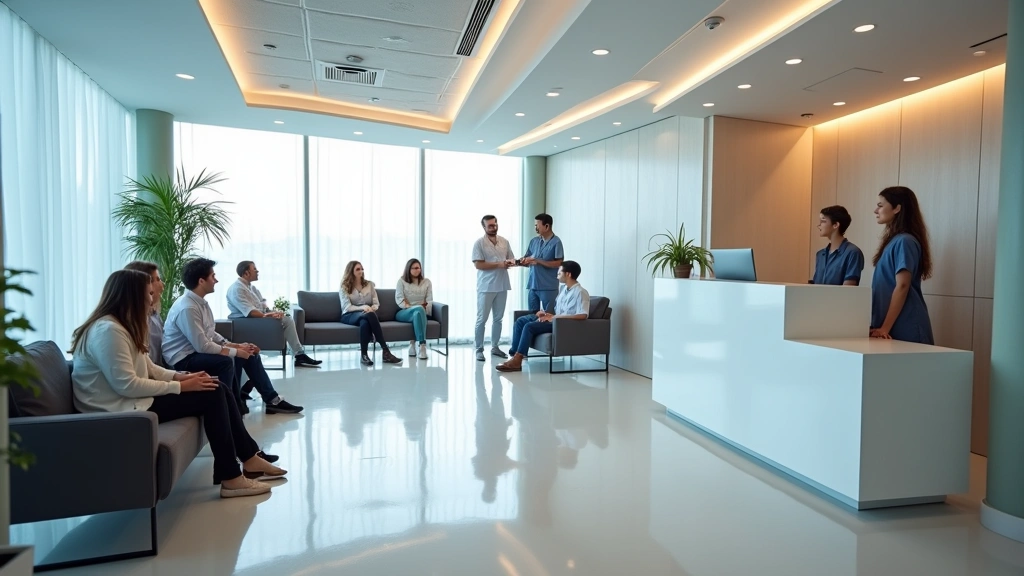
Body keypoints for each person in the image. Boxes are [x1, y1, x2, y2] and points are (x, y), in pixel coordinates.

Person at [70, 270, 285, 498]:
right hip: (116, 409)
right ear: (132, 296)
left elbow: (148, 368)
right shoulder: (108, 331)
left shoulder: (121, 325)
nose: (153, 298)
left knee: (215, 385)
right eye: (149, 293)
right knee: (212, 393)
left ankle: (249, 459)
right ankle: (231, 477)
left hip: (129, 401)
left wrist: (181, 377)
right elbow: (127, 385)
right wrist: (181, 387)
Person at [163, 258, 303, 415]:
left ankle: (272, 400)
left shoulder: (200, 303)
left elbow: (210, 334)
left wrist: (238, 346)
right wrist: (236, 352)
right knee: (227, 360)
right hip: (183, 360)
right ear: (201, 281)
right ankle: (231, 406)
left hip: (195, 351)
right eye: (213, 276)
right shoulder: (187, 308)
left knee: (250, 352)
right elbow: (202, 346)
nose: (216, 280)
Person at [870, 186, 934, 344]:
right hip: (891, 325)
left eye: (880, 205)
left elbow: (903, 285)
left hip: (905, 325)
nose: (875, 210)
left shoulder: (904, 241)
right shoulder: (895, 241)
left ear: (897, 208)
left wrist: (885, 328)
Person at [498, 260, 589, 372]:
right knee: (521, 321)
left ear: (568, 274)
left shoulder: (581, 292)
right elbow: (561, 311)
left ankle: (517, 360)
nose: (557, 277)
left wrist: (554, 318)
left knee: (529, 326)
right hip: (555, 320)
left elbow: (583, 315)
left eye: (559, 273)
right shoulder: (563, 290)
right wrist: (548, 315)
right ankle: (515, 356)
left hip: (563, 325)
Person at [226, 261, 321, 368]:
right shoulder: (237, 289)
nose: (257, 271)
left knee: (284, 317)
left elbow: (263, 305)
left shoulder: (252, 288)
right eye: (255, 269)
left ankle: (299, 354)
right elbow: (250, 312)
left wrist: (273, 313)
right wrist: (268, 316)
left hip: (257, 319)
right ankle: (299, 354)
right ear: (246, 273)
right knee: (287, 320)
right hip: (246, 322)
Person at [339, 260, 402, 366]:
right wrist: (364, 307)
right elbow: (347, 307)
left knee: (365, 321)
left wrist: (372, 308)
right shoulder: (344, 287)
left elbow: (376, 303)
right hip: (349, 315)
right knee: (368, 316)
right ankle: (385, 351)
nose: (361, 271)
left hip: (367, 314)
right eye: (358, 269)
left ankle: (364, 356)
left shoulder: (369, 285)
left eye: (362, 268)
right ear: (351, 271)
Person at [472, 215, 516, 362]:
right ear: (484, 227)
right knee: (482, 319)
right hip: (486, 286)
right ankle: (479, 349)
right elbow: (479, 265)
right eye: (490, 225)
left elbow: (511, 259)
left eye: (495, 224)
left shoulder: (504, 242)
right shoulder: (479, 243)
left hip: (502, 285)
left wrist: (515, 262)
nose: (493, 227)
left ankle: (495, 347)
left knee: (498, 319)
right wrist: (498, 264)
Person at [519, 213, 564, 312]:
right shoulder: (534, 241)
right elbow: (527, 258)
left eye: (537, 225)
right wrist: (522, 261)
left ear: (547, 226)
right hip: (533, 285)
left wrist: (538, 261)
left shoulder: (556, 242)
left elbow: (559, 263)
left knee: (549, 316)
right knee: (532, 315)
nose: (535, 228)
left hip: (548, 286)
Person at [811, 206, 865, 286]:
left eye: (823, 221)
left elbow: (848, 290)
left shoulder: (853, 252)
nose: (819, 225)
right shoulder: (820, 254)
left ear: (835, 225)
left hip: (840, 299)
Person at [395, 258, 433, 360]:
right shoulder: (401, 281)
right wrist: (411, 306)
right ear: (409, 269)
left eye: (419, 268)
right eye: (415, 268)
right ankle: (422, 346)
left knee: (418, 313)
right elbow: (399, 299)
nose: (418, 270)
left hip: (420, 312)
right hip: (404, 312)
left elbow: (429, 300)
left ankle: (415, 345)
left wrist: (423, 309)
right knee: (419, 310)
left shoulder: (427, 282)